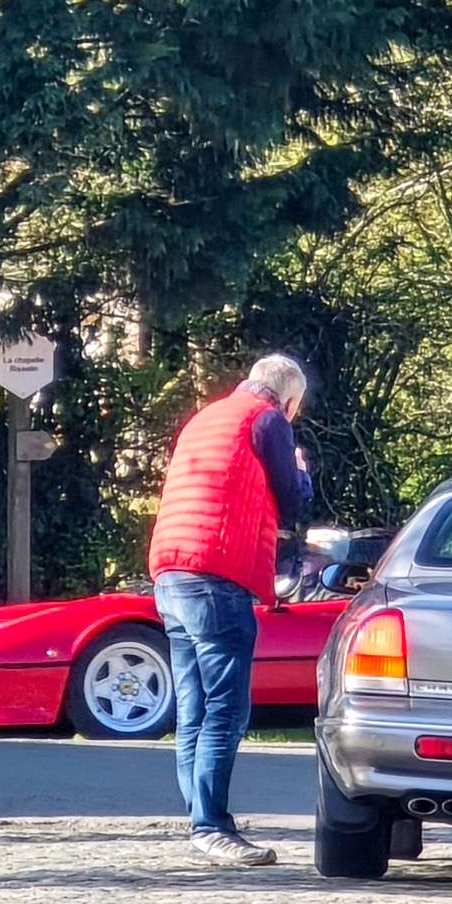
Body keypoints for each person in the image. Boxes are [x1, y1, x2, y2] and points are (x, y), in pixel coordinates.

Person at [147, 354, 313, 867]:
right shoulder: (268, 420)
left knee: (194, 706)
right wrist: (302, 471)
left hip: (170, 570)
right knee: (226, 708)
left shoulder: (207, 417)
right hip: (217, 573)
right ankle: (211, 826)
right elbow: (292, 498)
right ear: (289, 400)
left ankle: (201, 817)